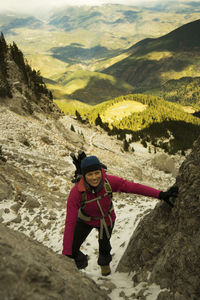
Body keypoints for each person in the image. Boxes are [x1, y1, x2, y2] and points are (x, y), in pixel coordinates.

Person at [62, 154, 178, 276]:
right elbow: (70, 221)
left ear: (101, 171)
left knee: (105, 245)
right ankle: (81, 263)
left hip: (106, 219)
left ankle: (104, 264)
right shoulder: (76, 192)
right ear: (84, 176)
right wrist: (67, 251)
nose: (94, 177)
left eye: (97, 173)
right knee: (72, 248)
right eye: (90, 174)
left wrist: (160, 194)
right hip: (85, 220)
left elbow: (134, 187)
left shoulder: (109, 182)